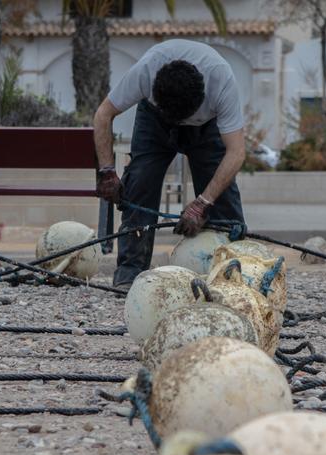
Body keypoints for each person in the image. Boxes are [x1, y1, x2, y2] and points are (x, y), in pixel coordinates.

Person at [92, 39, 247, 288]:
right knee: (139, 183)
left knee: (222, 199)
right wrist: (107, 172)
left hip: (205, 129)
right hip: (155, 123)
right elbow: (103, 115)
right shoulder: (146, 71)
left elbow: (236, 152)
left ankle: (235, 274)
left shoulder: (221, 80)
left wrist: (202, 203)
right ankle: (130, 273)